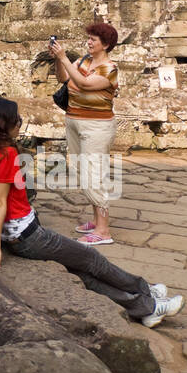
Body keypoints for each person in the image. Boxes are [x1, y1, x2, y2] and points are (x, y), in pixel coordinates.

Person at [0, 96, 183, 328]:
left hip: (16, 235)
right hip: (27, 235)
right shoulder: (7, 154)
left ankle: (144, 304)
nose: (19, 124)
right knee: (91, 258)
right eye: (17, 120)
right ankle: (146, 296)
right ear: (3, 125)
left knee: (83, 274)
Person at [49, 22, 120, 245]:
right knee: (83, 170)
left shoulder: (109, 69)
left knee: (94, 174)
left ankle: (104, 230)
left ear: (106, 45)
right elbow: (65, 78)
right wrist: (57, 59)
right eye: (88, 38)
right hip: (74, 121)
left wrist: (64, 58)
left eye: (94, 40)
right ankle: (96, 220)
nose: (89, 42)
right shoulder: (83, 61)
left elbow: (83, 83)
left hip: (96, 127)